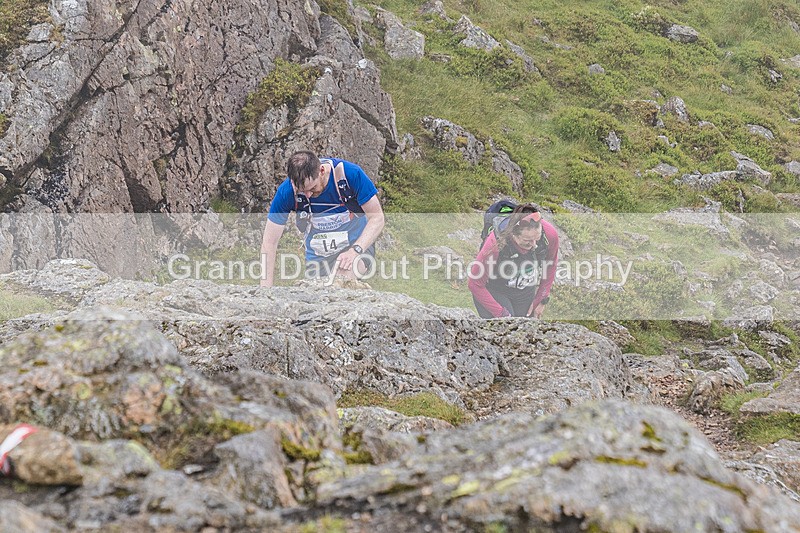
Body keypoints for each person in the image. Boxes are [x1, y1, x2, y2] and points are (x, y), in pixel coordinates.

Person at [260, 151, 385, 287]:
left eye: (313, 188)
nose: (308, 195)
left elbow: (377, 218)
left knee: (339, 283)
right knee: (314, 295)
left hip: (355, 245)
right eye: (301, 191)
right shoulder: (286, 192)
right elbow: (269, 243)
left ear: (322, 170)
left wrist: (355, 250)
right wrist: (265, 291)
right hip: (318, 255)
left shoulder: (349, 174)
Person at [468, 204, 558, 318]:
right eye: (527, 241)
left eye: (537, 239)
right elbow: (474, 284)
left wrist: (541, 298)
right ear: (513, 235)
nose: (534, 245)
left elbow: (551, 265)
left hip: (524, 289)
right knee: (504, 331)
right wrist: (501, 314)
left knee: (527, 331)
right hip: (495, 289)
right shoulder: (496, 244)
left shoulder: (550, 234)